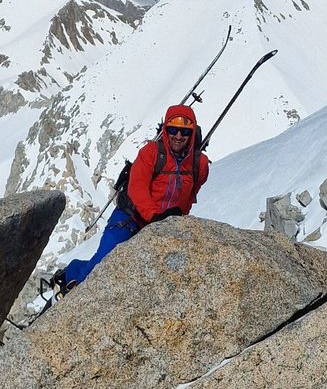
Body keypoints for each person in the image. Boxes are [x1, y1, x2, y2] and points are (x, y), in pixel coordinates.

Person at [51, 102, 211, 292]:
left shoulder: (199, 165)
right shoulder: (150, 153)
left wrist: (174, 221)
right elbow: (137, 188)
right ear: (166, 129)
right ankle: (70, 274)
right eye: (173, 130)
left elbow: (189, 196)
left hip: (162, 225)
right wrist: (154, 216)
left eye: (184, 132)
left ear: (192, 133)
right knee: (102, 265)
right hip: (130, 218)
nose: (178, 136)